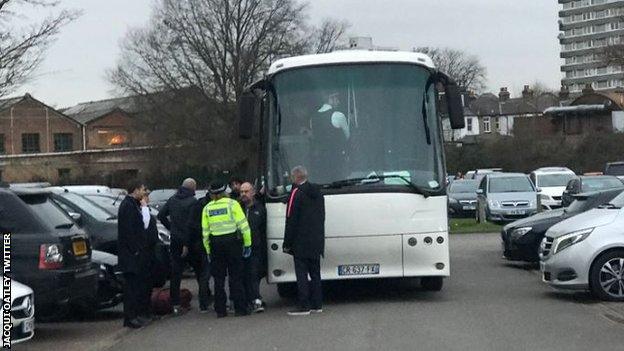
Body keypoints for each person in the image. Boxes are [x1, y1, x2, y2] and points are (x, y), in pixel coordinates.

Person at [158, 178, 211, 314]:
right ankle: (204, 302)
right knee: (200, 272)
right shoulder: (193, 202)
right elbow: (196, 223)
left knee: (176, 274)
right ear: (193, 188)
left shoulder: (172, 200)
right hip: (192, 242)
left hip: (176, 241)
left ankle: (175, 304)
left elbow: (161, 215)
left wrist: (171, 228)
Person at [202, 180, 252, 318]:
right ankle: (240, 309)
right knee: (236, 277)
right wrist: (247, 244)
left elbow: (205, 232)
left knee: (218, 280)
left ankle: (220, 310)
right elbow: (244, 226)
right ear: (225, 192)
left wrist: (208, 250)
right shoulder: (233, 204)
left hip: (215, 244)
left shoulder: (207, 208)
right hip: (232, 243)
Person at [283, 166, 325, 316]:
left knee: (301, 274)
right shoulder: (318, 193)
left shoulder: (296, 193)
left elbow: (291, 219)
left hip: (300, 242)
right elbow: (322, 217)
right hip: (316, 240)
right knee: (315, 274)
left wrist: (287, 243)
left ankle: (304, 305)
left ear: (295, 178)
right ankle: (317, 304)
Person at [117, 180, 151, 328]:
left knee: (136, 286)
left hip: (133, 253)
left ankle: (135, 315)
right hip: (130, 254)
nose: (144, 193)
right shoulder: (128, 206)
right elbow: (131, 230)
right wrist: (135, 250)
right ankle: (130, 318)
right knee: (130, 287)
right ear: (135, 190)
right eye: (142, 190)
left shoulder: (132, 205)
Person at [240, 182, 267, 313]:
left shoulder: (260, 208)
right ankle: (246, 299)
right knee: (243, 274)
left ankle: (256, 299)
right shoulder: (238, 208)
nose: (243, 194)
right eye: (242, 192)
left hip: (255, 246)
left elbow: (263, 229)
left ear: (253, 192)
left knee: (254, 273)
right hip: (239, 247)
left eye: (246, 191)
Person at [310, 92, 349, 182]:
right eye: (337, 99)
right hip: (337, 159)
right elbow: (347, 136)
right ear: (330, 99)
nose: (338, 102)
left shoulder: (313, 117)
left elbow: (315, 136)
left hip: (321, 160)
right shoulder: (338, 115)